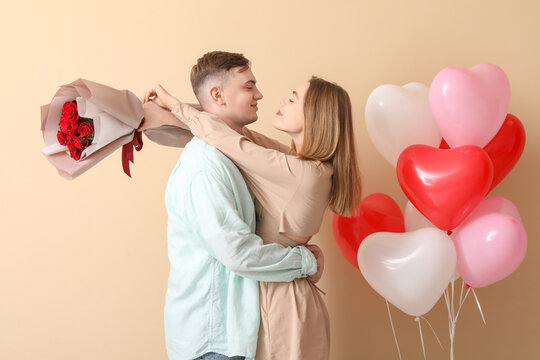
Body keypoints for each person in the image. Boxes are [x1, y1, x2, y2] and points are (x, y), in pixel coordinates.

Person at [142, 51, 362, 360]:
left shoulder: (301, 173)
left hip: (282, 301)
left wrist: (177, 104)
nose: (266, 96)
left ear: (315, 116)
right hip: (270, 302)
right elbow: (233, 135)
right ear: (218, 95)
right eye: (249, 86)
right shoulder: (293, 163)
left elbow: (233, 139)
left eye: (293, 98)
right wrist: (170, 110)